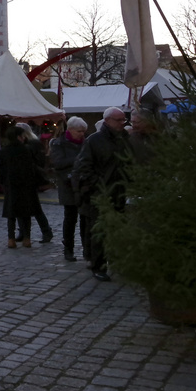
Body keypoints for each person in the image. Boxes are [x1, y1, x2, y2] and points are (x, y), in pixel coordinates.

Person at [70, 106, 132, 281]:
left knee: (118, 228)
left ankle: (118, 261)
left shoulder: (124, 138)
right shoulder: (94, 140)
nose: (122, 123)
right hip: (100, 193)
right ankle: (98, 265)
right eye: (119, 120)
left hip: (120, 191)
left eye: (123, 120)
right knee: (98, 231)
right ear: (107, 121)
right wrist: (98, 185)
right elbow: (83, 167)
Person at [49, 118, 91, 262]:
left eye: (83, 131)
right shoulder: (59, 143)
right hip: (67, 185)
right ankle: (69, 248)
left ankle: (87, 249)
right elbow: (58, 163)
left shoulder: (86, 143)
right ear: (70, 130)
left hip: (84, 184)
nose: (81, 134)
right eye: (79, 131)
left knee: (86, 219)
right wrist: (78, 159)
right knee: (70, 218)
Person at [0, 126, 45, 249]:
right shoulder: (26, 150)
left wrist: (3, 183)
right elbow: (32, 168)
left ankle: (11, 239)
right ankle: (26, 238)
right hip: (26, 185)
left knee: (11, 213)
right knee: (26, 213)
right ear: (18, 137)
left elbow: (0, 170)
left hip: (11, 185)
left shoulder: (3, 151)